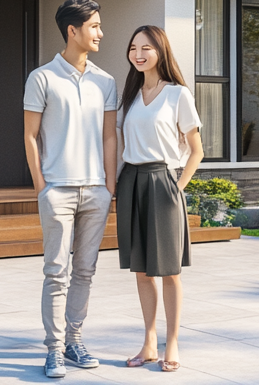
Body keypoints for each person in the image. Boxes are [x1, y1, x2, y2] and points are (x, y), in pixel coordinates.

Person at [23, 0, 119, 379]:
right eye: (94, 26)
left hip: (96, 189)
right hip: (58, 190)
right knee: (56, 271)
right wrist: (42, 186)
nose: (100, 32)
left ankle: (74, 341)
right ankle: (53, 350)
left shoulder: (106, 81)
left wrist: (109, 186)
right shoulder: (42, 77)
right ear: (72, 30)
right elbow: (30, 136)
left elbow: (109, 138)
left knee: (85, 271)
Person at [115, 25, 204, 373]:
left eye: (146, 48)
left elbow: (196, 151)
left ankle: (173, 342)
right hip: (131, 181)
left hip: (163, 181)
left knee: (169, 271)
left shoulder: (178, 94)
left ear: (161, 52)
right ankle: (149, 342)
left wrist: (177, 188)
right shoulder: (131, 96)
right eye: (133, 47)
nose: (138, 54)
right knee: (141, 270)